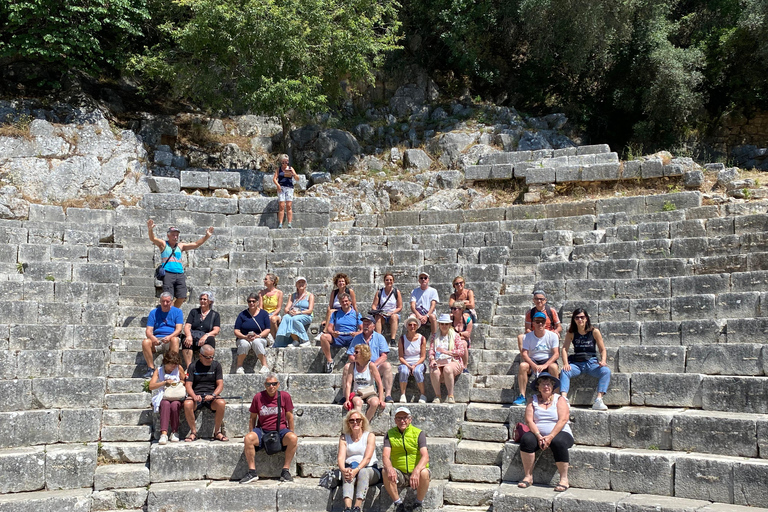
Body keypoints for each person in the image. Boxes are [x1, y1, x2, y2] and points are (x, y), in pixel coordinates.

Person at [516, 372, 573, 492]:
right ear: (538, 387)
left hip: (560, 432)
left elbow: (563, 419)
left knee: (559, 442)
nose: (546, 387)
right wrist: (538, 436)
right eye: (543, 384)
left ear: (552, 387)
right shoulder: (533, 400)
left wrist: (550, 436)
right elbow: (529, 420)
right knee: (526, 440)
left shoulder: (560, 399)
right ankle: (528, 476)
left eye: (548, 384)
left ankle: (564, 479)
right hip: (538, 433)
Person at [239, 373, 298, 483]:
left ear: (278, 385)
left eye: (274, 384)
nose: (271, 386)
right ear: (265, 385)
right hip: (263, 430)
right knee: (248, 438)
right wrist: (252, 432)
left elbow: (290, 416)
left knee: (293, 438)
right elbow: (252, 418)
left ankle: (285, 471)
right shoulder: (258, 397)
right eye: (268, 384)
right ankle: (252, 472)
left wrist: (291, 431)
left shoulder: (284, 396)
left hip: (280, 430)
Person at [147, 220, 214, 308]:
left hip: (180, 274)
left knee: (182, 296)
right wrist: (150, 230)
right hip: (168, 274)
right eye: (173, 234)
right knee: (168, 297)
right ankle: (169, 313)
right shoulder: (163, 244)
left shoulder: (180, 246)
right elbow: (153, 239)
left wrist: (207, 236)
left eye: (177, 235)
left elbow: (196, 244)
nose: (175, 237)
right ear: (168, 235)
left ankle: (173, 311)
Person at [560, 308, 611, 411]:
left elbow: (602, 349)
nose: (580, 320)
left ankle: (599, 400)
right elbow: (565, 349)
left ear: (586, 318)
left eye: (582, 317)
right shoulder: (571, 333)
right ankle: (563, 399)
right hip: (577, 363)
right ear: (574, 319)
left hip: (591, 362)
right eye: (577, 317)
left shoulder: (594, 331)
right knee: (564, 371)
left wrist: (603, 360)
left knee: (606, 371)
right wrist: (565, 363)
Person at [382, 407, 430, 512]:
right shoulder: (389, 434)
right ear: (395, 420)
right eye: (399, 418)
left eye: (405, 418)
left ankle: (418, 503)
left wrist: (416, 471)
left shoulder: (418, 433)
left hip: (416, 472)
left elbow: (425, 456)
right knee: (385, 471)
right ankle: (398, 503)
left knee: (425, 473)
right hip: (400, 473)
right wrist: (390, 468)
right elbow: (385, 456)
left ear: (410, 419)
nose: (402, 421)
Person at [514, 311, 561, 406]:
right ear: (533, 323)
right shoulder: (527, 337)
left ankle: (555, 396)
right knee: (523, 366)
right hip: (533, 360)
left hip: (547, 359)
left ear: (545, 323)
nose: (540, 324)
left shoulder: (552, 336)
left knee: (554, 367)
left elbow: (556, 354)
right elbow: (524, 353)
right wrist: (533, 365)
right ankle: (522, 396)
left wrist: (545, 365)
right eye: (537, 321)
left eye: (542, 321)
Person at [337, 409, 380, 512]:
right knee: (347, 472)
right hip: (351, 467)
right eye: (352, 421)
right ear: (348, 423)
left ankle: (357, 507)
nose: (355, 422)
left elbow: (367, 458)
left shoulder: (369, 436)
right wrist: (343, 470)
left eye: (358, 420)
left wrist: (357, 469)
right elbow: (341, 457)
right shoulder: (344, 438)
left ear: (362, 422)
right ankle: (347, 508)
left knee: (363, 472)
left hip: (369, 469)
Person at [183, 344, 227, 442]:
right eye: (207, 357)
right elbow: (188, 385)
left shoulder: (216, 365)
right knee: (187, 404)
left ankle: (217, 432)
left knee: (221, 403)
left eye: (212, 357)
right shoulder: (193, 366)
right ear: (200, 355)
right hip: (197, 396)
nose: (210, 359)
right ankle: (193, 432)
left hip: (211, 396)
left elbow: (220, 385)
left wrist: (213, 395)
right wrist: (194, 396)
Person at [344, 315, 394, 403]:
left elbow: (384, 355)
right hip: (360, 366)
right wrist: (359, 362)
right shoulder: (357, 338)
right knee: (347, 367)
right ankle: (345, 396)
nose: (366, 326)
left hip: (375, 365)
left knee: (387, 366)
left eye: (368, 324)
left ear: (374, 326)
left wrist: (373, 365)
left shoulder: (380, 337)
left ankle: (388, 395)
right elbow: (350, 355)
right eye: (364, 324)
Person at [141, 292, 183, 378]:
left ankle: (173, 368)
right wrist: (152, 338)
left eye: (167, 301)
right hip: (157, 338)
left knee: (175, 340)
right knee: (146, 342)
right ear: (160, 301)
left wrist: (170, 337)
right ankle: (151, 368)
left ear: (171, 302)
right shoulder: (154, 313)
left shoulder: (178, 312)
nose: (165, 304)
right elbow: (148, 330)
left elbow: (179, 329)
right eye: (163, 301)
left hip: (171, 337)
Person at [149, 351, 187, 445]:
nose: (173, 367)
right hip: (165, 394)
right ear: (166, 363)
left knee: (175, 405)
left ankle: (175, 431)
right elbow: (151, 386)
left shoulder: (179, 368)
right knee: (165, 404)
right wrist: (164, 383)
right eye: (171, 364)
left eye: (175, 364)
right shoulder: (159, 370)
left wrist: (179, 383)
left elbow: (184, 380)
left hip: (176, 394)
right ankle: (164, 433)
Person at [428, 313, 467, 404]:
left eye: (446, 324)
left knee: (448, 369)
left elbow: (461, 351)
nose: (444, 326)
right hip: (439, 360)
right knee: (434, 370)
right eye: (442, 324)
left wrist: (449, 353)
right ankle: (437, 396)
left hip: (453, 360)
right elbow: (431, 351)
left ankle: (450, 395)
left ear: (449, 325)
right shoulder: (435, 336)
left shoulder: (455, 335)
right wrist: (432, 359)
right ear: (439, 324)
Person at [319, 293, 362, 373]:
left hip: (351, 337)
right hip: (338, 336)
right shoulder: (335, 314)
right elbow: (329, 327)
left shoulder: (356, 314)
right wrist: (333, 332)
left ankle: (359, 363)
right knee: (323, 337)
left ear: (350, 302)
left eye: (346, 301)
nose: (344, 303)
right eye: (342, 302)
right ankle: (330, 361)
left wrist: (357, 333)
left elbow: (362, 329)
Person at [343, 344, 386, 422]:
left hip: (370, 392)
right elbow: (348, 384)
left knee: (374, 402)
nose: (353, 354)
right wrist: (347, 400)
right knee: (358, 402)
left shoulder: (371, 366)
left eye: (356, 352)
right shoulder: (352, 366)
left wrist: (381, 399)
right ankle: (358, 422)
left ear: (363, 354)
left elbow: (379, 383)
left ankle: (365, 423)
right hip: (357, 392)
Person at [234, 293, 272, 374]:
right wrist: (244, 337)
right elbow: (236, 331)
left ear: (257, 302)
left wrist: (258, 336)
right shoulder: (242, 314)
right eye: (249, 301)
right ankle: (239, 366)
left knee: (257, 342)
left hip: (260, 337)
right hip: (244, 338)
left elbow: (268, 329)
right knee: (244, 344)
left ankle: (264, 366)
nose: (251, 303)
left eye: (253, 301)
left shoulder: (264, 314)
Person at [181, 291, 220, 369]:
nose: (202, 301)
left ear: (210, 301)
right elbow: (187, 326)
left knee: (211, 339)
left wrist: (206, 335)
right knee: (185, 340)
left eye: (205, 299)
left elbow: (216, 330)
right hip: (193, 336)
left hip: (205, 336)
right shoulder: (194, 312)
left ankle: (207, 365)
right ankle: (189, 367)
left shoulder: (215, 315)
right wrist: (188, 336)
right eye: (201, 299)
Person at [317, 273, 358, 341]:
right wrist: (327, 319)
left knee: (331, 311)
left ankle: (324, 331)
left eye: (343, 281)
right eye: (339, 281)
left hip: (346, 311)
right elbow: (330, 306)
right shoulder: (334, 292)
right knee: (330, 311)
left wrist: (356, 315)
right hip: (336, 313)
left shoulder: (350, 291)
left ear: (345, 282)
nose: (341, 283)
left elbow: (354, 304)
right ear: (336, 283)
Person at [275, 276, 314, 348]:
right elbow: (286, 309)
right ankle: (295, 340)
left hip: (306, 315)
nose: (301, 284)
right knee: (286, 317)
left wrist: (299, 313)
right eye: (299, 282)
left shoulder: (310, 295)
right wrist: (290, 312)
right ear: (296, 285)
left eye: (303, 282)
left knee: (294, 319)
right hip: (294, 314)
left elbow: (310, 310)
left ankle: (306, 340)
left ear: (305, 285)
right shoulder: (293, 296)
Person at [397, 316, 427, 404]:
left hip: (418, 362)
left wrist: (414, 365)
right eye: (410, 325)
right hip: (406, 362)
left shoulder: (422, 339)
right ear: (407, 326)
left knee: (417, 371)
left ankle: (423, 394)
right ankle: (403, 394)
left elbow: (423, 356)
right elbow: (401, 357)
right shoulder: (402, 339)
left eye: (414, 325)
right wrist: (409, 366)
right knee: (403, 371)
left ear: (417, 326)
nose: (412, 327)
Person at [371, 273, 403, 346]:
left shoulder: (396, 292)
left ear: (393, 281)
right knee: (377, 317)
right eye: (387, 280)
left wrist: (392, 312)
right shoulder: (379, 292)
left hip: (393, 313)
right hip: (382, 314)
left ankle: (393, 339)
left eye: (390, 280)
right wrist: (378, 311)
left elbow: (400, 307)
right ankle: (378, 339)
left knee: (394, 317)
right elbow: (374, 305)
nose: (389, 281)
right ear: (384, 281)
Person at [273, 154, 298, 229]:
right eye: (283, 162)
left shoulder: (290, 168)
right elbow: (274, 178)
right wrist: (278, 185)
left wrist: (293, 174)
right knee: (281, 205)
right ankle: (280, 223)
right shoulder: (279, 169)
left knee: (289, 205)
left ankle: (289, 223)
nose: (285, 164)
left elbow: (297, 178)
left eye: (286, 162)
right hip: (281, 188)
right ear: (281, 162)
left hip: (289, 188)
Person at [450, 300, 473, 373]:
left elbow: (468, 335)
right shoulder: (450, 319)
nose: (452, 311)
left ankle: (465, 366)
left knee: (463, 343)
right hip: (451, 339)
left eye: (455, 309)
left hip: (462, 340)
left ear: (461, 310)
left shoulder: (467, 320)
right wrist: (462, 334)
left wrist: (457, 335)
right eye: (452, 308)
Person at [259, 273, 283, 341]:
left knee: (273, 319)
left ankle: (276, 339)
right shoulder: (261, 293)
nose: (264, 281)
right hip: (265, 313)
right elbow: (261, 307)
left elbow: (279, 308)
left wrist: (272, 314)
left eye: (266, 279)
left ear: (272, 281)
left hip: (275, 314)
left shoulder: (279, 293)